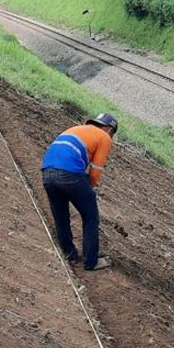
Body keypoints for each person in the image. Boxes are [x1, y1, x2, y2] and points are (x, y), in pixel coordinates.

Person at [41, 113, 118, 271]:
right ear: (109, 129)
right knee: (90, 216)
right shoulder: (104, 137)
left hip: (47, 171)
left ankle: (70, 255)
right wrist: (90, 187)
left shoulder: (76, 129)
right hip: (70, 173)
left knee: (61, 216)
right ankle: (91, 261)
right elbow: (96, 169)